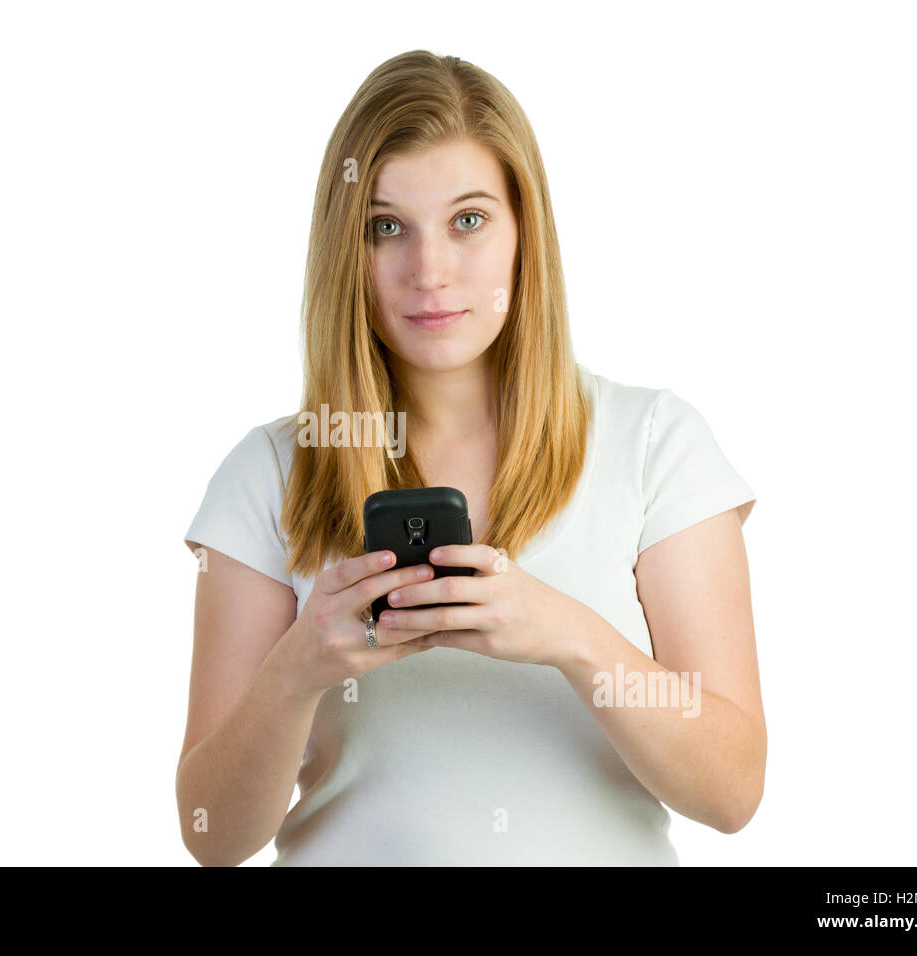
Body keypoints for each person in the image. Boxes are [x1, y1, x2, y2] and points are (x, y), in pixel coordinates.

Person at [178, 49, 765, 866]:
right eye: (388, 227)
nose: (430, 272)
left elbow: (733, 793)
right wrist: (297, 670)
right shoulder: (271, 471)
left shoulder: (656, 443)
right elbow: (211, 834)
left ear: (525, 230)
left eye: (468, 220)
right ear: (348, 247)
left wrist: (569, 635)